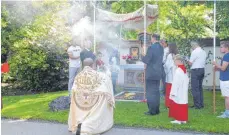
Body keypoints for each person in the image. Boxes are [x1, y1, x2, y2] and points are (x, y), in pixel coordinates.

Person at [68, 58, 115, 135]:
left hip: (81, 101)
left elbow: (74, 89)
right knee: (103, 97)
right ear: (93, 64)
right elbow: (107, 79)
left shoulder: (78, 76)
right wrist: (107, 69)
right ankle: (86, 126)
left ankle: (78, 122)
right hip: (93, 100)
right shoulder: (99, 75)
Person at [142, 34, 164, 116]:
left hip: (151, 73)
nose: (151, 40)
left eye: (151, 38)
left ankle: (152, 111)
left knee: (150, 92)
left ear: (153, 38)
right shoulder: (161, 47)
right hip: (158, 72)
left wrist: (142, 56)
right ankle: (157, 109)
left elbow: (147, 60)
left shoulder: (151, 48)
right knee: (156, 91)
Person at [169, 54, 189, 124]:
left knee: (178, 103)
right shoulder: (184, 69)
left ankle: (178, 119)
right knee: (183, 103)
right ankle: (183, 119)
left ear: (178, 61)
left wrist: (173, 92)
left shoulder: (178, 70)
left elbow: (175, 83)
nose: (174, 62)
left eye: (175, 61)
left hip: (178, 90)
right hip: (183, 89)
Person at [188, 41, 206, 109]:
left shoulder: (194, 52)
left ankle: (197, 105)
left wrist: (187, 58)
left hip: (195, 70)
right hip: (202, 70)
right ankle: (201, 104)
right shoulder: (203, 51)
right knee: (199, 88)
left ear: (193, 46)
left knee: (195, 88)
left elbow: (190, 63)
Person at [213, 41, 229, 118]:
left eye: (222, 47)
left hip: (226, 79)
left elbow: (223, 68)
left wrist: (216, 64)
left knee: (227, 96)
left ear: (226, 48)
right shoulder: (226, 55)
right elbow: (224, 68)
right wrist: (217, 69)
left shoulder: (227, 56)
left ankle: (227, 113)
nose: (220, 48)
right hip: (225, 78)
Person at [164, 43, 178, 108]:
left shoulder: (170, 55)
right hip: (176, 75)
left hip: (170, 76)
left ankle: (169, 104)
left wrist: (164, 65)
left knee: (169, 90)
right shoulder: (177, 55)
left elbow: (167, 65)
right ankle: (175, 102)